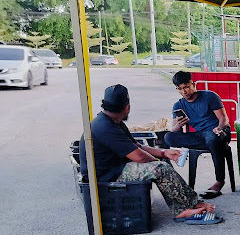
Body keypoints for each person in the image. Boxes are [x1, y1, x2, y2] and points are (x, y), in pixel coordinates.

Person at [79, 84, 222, 225]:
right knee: (160, 169)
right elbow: (139, 156)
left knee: (161, 164)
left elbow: (137, 146)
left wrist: (164, 153)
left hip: (113, 169)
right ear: (127, 107)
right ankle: (182, 210)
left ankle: (192, 202)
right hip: (106, 177)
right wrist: (158, 161)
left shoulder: (112, 121)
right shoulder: (105, 127)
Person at [164, 71, 231, 199]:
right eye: (180, 89)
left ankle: (219, 181)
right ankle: (214, 145)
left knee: (212, 138)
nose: (184, 91)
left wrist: (219, 128)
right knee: (168, 137)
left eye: (186, 87)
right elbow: (175, 131)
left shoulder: (209, 96)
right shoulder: (178, 105)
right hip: (200, 136)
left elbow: (224, 119)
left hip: (219, 131)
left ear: (193, 84)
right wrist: (178, 125)